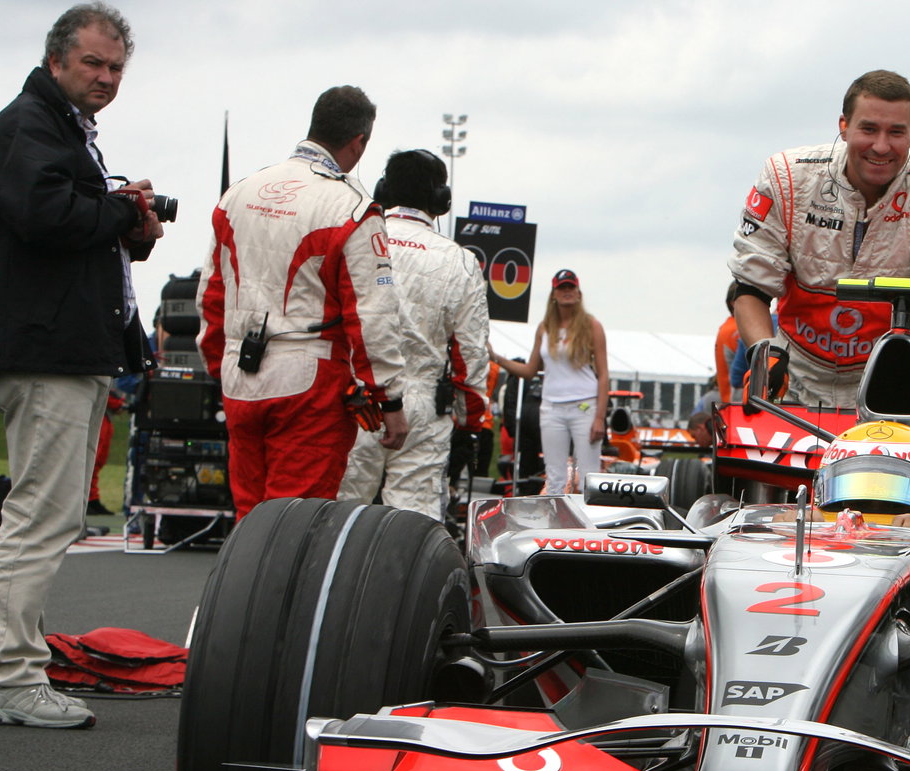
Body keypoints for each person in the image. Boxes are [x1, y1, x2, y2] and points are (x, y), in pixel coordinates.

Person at [0, 3, 163, 729]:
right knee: (40, 515)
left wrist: (130, 225)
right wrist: (121, 213)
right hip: (49, 350)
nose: (105, 77)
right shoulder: (33, 122)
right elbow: (43, 214)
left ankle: (14, 664)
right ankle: (12, 676)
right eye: (93, 64)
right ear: (57, 60)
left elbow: (67, 221)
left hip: (65, 344)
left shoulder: (61, 126)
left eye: (116, 67)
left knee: (41, 512)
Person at [197, 85, 409, 522]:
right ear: (359, 142)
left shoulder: (239, 193)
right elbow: (372, 316)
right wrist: (388, 400)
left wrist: (221, 365)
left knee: (249, 520)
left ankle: (241, 592)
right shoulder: (352, 206)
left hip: (240, 374)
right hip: (309, 382)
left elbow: (211, 295)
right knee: (292, 525)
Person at [728, 69, 910, 406]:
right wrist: (764, 358)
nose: (881, 146)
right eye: (869, 129)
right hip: (795, 376)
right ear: (843, 126)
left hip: (888, 382)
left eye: (896, 132)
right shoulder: (786, 176)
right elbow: (749, 286)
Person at [339, 149, 488, 522]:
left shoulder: (356, 241)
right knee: (411, 526)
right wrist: (470, 423)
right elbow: (470, 357)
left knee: (336, 516)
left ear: (383, 190)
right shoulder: (460, 261)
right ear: (441, 201)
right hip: (423, 404)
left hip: (358, 400)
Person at [491, 270, 608, 494]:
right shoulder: (545, 328)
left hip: (584, 406)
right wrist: (497, 358)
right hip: (551, 407)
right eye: (562, 288)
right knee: (554, 477)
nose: (567, 292)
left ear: (578, 293)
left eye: (570, 287)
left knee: (587, 476)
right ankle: (556, 525)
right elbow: (529, 370)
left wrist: (600, 418)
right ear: (553, 294)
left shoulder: (592, 326)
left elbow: (603, 374)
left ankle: (590, 526)